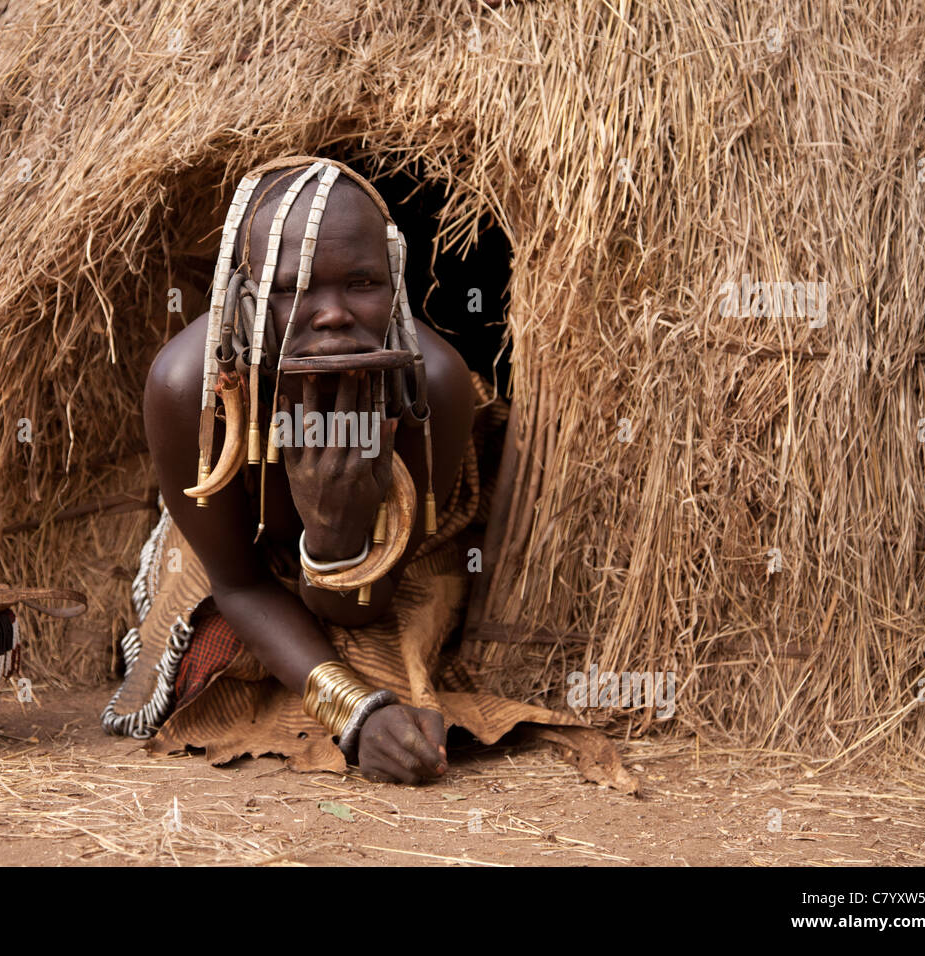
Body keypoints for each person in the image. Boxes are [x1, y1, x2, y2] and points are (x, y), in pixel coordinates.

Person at [102, 156, 593, 785]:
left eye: (361, 282)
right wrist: (356, 712)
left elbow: (357, 610)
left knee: (403, 654)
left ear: (395, 283)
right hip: (245, 558)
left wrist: (337, 531)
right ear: (245, 297)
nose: (332, 314)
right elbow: (242, 585)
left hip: (392, 553)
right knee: (209, 664)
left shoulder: (432, 387)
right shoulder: (187, 390)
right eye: (293, 287)